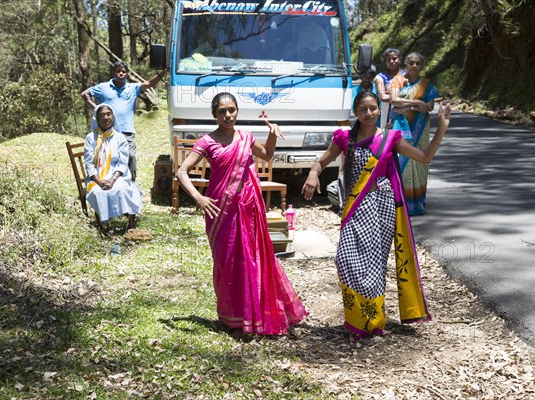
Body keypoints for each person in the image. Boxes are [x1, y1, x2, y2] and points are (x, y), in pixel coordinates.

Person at [302, 91, 451, 339]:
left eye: (373, 108)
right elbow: (321, 162)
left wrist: (442, 128)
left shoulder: (390, 139)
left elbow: (424, 157)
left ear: (379, 110)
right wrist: (313, 174)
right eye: (363, 109)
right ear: (356, 112)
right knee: (345, 260)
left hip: (381, 207)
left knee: (373, 265)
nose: (369, 113)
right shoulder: (343, 138)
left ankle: (371, 323)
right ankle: (358, 318)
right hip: (354, 207)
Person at [177, 92, 308, 336]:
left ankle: (255, 315)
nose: (228, 115)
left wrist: (272, 135)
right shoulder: (207, 141)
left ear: (237, 111)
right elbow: (182, 171)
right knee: (227, 262)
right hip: (219, 210)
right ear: (214, 115)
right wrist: (199, 198)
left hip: (249, 209)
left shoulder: (246, 137)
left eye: (232, 110)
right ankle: (232, 317)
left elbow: (267, 156)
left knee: (252, 260)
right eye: (222, 111)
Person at [81, 61, 166, 181]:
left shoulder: (133, 88)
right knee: (108, 158)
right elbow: (85, 94)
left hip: (127, 131)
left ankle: (131, 184)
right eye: (118, 71)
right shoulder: (103, 87)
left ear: (127, 74)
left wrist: (164, 71)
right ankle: (106, 183)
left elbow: (148, 83)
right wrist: (96, 109)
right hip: (107, 132)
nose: (121, 73)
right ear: (113, 73)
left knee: (130, 156)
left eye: (124, 71)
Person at [389, 52, 440, 215]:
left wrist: (407, 107)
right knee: (400, 161)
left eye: (418, 63)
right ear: (405, 64)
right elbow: (394, 100)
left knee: (419, 162)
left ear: (422, 66)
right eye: (411, 63)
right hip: (400, 126)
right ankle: (399, 204)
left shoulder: (427, 85)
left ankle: (416, 204)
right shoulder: (398, 80)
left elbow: (429, 107)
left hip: (420, 128)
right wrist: (416, 103)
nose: (414, 66)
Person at [84, 104, 142, 230]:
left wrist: (112, 181)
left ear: (113, 116)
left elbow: (122, 162)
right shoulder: (90, 138)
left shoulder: (120, 138)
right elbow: (88, 164)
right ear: (97, 119)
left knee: (120, 189)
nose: (106, 118)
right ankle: (104, 224)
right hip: (97, 177)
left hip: (116, 176)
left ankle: (130, 223)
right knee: (97, 192)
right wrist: (99, 182)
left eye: (108, 114)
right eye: (102, 115)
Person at [374, 48, 402, 128]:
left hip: (406, 113)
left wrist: (391, 95)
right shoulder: (380, 77)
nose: (391, 61)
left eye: (394, 58)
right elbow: (383, 97)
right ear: (385, 62)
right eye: (388, 59)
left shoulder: (406, 75)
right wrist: (402, 97)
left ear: (399, 59)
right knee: (387, 138)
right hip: (387, 115)